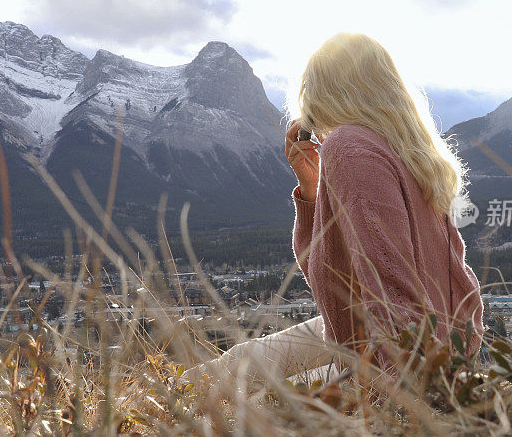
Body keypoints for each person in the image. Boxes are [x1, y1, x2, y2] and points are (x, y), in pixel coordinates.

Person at [186, 32, 484, 382]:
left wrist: (404, 392)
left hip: (408, 355)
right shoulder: (414, 151)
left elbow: (389, 280)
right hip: (446, 336)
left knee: (251, 397)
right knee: (240, 363)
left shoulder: (349, 147)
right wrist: (313, 190)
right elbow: (328, 275)